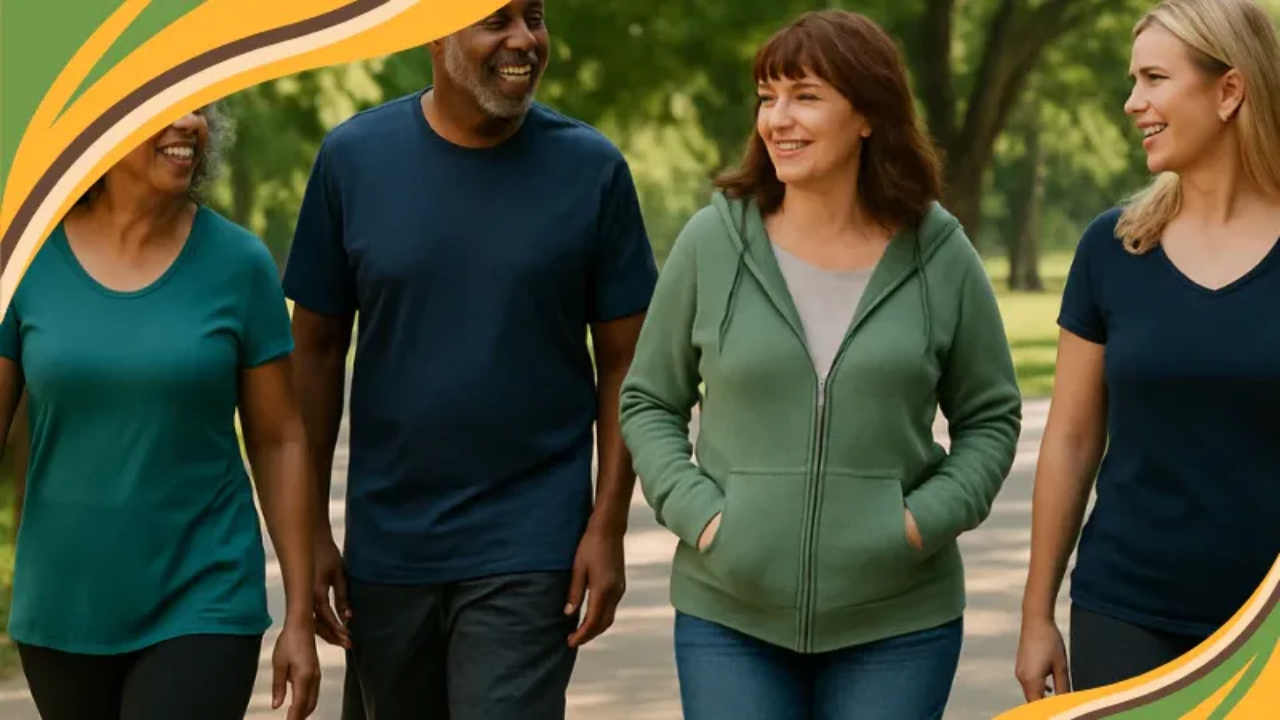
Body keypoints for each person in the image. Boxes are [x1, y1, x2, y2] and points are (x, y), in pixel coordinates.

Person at [618, 10, 1023, 720]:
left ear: (868, 114)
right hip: (730, 616)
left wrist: (920, 523)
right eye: (767, 97)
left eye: (805, 95)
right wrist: (705, 517)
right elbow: (649, 399)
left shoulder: (940, 254)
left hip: (900, 622)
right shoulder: (714, 241)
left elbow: (990, 418)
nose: (778, 119)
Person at [281, 0, 659, 717]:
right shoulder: (353, 160)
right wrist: (311, 535)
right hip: (388, 546)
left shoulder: (592, 170)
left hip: (531, 539)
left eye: (536, 17)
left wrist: (606, 524)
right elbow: (316, 356)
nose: (524, 39)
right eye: (497, 19)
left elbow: (626, 367)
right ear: (433, 31)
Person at [0, 103, 320, 719]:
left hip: (202, 596)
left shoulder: (239, 265)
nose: (189, 124)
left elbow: (281, 440)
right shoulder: (25, 257)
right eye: (164, 106)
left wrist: (299, 618)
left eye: (199, 107)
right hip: (62, 606)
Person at [1015, 0, 1280, 700]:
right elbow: (1071, 439)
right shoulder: (1113, 247)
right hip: (1127, 612)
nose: (1133, 103)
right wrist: (1036, 612)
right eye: (1134, 81)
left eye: (1154, 79)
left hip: (1271, 624)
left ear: (1230, 90)